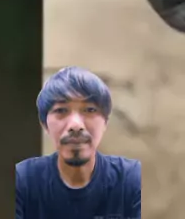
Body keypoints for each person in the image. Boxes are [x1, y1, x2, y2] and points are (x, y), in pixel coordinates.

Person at [15, 66, 141, 218]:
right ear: (44, 124)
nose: (75, 125)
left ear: (105, 122)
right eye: (61, 110)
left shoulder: (132, 179)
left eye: (90, 110)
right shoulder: (22, 180)